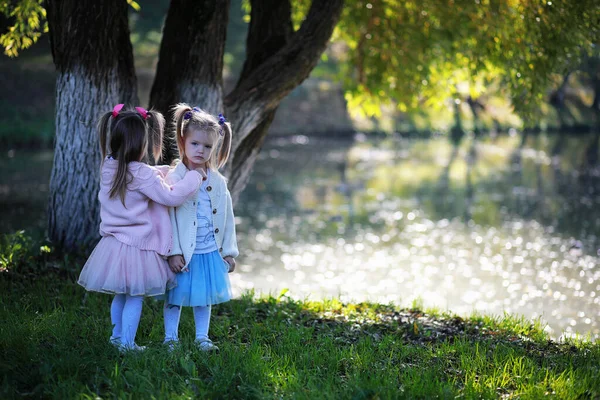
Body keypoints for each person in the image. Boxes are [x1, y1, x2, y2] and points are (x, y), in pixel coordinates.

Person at [78, 104, 204, 352]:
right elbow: (170, 197)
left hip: (113, 244)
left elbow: (140, 177)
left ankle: (116, 337)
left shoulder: (109, 165)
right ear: (141, 145)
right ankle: (127, 344)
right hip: (136, 246)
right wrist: (194, 177)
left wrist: (159, 171)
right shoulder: (142, 175)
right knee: (135, 297)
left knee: (121, 295)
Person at [163, 104, 239, 352]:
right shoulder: (175, 178)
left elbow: (227, 219)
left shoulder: (218, 182)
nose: (201, 150)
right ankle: (170, 338)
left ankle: (202, 337)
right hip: (184, 252)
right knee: (175, 296)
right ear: (183, 140)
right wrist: (173, 251)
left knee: (204, 296)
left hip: (208, 250)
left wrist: (228, 251)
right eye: (195, 144)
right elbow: (167, 217)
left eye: (207, 146)